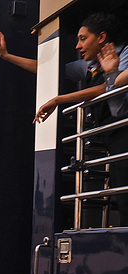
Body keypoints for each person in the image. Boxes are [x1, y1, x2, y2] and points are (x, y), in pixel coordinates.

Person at [33, 12, 128, 225]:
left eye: (83, 38)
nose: (77, 46)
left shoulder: (124, 55)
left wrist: (58, 99)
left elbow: (112, 95)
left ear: (101, 38)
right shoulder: (89, 67)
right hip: (111, 138)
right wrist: (6, 56)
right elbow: (47, 69)